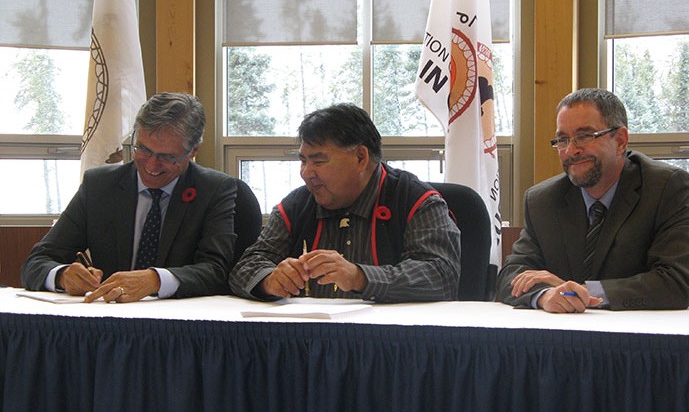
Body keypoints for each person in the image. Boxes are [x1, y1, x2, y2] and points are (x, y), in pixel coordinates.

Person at [229, 103, 461, 303]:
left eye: (318, 161)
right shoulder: (296, 206)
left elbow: (441, 276)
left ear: (361, 157)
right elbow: (245, 267)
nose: (306, 173)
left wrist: (360, 277)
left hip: (393, 344)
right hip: (308, 343)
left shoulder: (416, 201)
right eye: (302, 161)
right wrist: (269, 280)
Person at [21, 92, 240, 303]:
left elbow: (217, 270)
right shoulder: (99, 186)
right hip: (108, 322)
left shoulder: (215, 190)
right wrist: (62, 276)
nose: (152, 165)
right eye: (143, 149)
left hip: (180, 327)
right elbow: (37, 262)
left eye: (167, 157)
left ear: (193, 151)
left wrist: (156, 280)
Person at [496, 88, 689, 312]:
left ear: (621, 140)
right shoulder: (543, 200)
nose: (571, 150)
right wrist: (546, 295)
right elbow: (511, 275)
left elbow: (677, 282)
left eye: (584, 136)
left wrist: (582, 292)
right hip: (562, 338)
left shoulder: (666, 188)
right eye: (562, 140)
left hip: (644, 338)